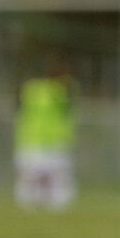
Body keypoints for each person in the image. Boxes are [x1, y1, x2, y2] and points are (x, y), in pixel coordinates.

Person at [14, 59, 78, 210]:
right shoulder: (53, 91)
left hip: (50, 138)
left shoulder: (40, 90)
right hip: (37, 137)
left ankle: (49, 200)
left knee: (51, 174)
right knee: (35, 173)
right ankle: (33, 199)